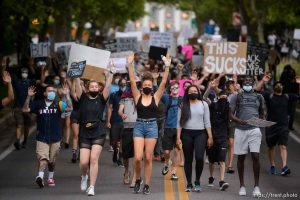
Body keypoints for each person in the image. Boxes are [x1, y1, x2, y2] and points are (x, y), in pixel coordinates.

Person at [127, 53, 171, 195]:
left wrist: (167, 67)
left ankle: (146, 184)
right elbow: (132, 81)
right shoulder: (137, 96)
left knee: (147, 157)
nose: (146, 86)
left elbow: (163, 82)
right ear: (142, 86)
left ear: (152, 86)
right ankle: (138, 179)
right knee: (138, 158)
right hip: (139, 126)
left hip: (152, 126)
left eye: (149, 84)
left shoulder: (156, 97)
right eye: (145, 84)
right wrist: (129, 65)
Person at [73, 65, 114, 196]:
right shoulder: (83, 98)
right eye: (92, 87)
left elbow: (107, 86)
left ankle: (92, 186)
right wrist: (77, 73)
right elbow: (78, 86)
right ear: (88, 88)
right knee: (84, 162)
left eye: (96, 87)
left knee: (94, 159)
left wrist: (110, 74)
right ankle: (84, 176)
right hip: (85, 132)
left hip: (98, 131)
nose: (94, 89)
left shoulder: (101, 99)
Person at [22, 84, 72, 188]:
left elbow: (69, 108)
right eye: (49, 91)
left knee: (52, 161)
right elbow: (25, 109)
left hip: (55, 137)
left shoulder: (58, 104)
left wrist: (67, 95)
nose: (51, 93)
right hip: (42, 137)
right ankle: (40, 177)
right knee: (43, 158)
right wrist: (28, 96)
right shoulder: (38, 104)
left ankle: (50, 177)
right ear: (45, 93)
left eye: (53, 91)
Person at [229, 76, 265, 197]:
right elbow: (231, 114)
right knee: (241, 158)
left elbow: (262, 113)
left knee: (255, 156)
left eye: (250, 82)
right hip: (240, 130)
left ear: (253, 84)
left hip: (254, 130)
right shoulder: (236, 96)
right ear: (242, 84)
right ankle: (242, 186)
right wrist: (239, 121)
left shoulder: (259, 97)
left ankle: (256, 187)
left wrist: (260, 121)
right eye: (245, 82)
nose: (248, 83)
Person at [256, 77, 298, 176]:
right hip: (271, 126)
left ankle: (284, 167)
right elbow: (256, 91)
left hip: (283, 126)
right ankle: (273, 166)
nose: (279, 85)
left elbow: (298, 95)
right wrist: (263, 81)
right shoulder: (269, 96)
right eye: (277, 84)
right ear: (274, 87)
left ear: (282, 87)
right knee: (271, 147)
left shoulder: (287, 97)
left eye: (280, 84)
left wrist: (298, 84)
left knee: (283, 146)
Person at [176, 85, 213, 192]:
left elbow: (207, 122)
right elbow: (179, 123)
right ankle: (189, 183)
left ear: (198, 92)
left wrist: (210, 136)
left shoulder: (203, 104)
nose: (193, 92)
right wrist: (178, 138)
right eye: (191, 91)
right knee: (188, 159)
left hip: (201, 134)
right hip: (186, 134)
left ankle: (197, 180)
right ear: (187, 93)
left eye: (195, 91)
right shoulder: (183, 105)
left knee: (200, 158)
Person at [204, 89, 230, 191]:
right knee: (211, 161)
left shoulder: (229, 107)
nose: (223, 98)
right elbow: (204, 98)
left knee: (222, 160)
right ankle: (211, 177)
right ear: (218, 97)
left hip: (223, 137)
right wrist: (210, 88)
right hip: (212, 137)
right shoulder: (212, 105)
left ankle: (222, 181)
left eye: (225, 97)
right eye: (222, 96)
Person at [161, 81, 182, 181]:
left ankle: (174, 172)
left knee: (177, 151)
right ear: (170, 89)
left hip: (179, 129)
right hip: (168, 128)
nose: (174, 89)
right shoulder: (166, 98)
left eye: (176, 87)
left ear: (179, 89)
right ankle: (167, 163)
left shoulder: (183, 99)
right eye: (172, 88)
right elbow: (158, 91)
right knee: (166, 151)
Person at [12, 67, 36, 149]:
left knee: (26, 126)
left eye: (26, 72)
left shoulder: (31, 82)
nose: (24, 73)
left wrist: (42, 70)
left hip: (27, 108)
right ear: (20, 73)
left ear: (28, 73)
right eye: (23, 72)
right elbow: (6, 82)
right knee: (19, 125)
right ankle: (18, 141)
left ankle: (25, 141)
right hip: (18, 107)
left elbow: (41, 81)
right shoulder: (16, 82)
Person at [118, 83, 137, 186]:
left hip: (139, 128)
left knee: (137, 155)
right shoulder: (125, 97)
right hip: (127, 128)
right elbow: (120, 110)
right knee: (126, 154)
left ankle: (135, 176)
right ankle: (126, 171)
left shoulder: (141, 96)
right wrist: (122, 113)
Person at [107, 78, 127, 167]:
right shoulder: (113, 95)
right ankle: (115, 151)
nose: (123, 86)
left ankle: (120, 159)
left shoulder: (129, 96)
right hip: (115, 120)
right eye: (121, 84)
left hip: (126, 122)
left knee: (122, 141)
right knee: (115, 142)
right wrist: (108, 121)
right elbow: (110, 108)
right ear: (118, 85)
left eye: (125, 84)